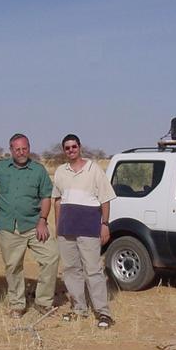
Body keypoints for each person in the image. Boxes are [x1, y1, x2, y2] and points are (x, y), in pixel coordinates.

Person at [0, 133, 59, 319]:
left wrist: (43, 220)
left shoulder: (38, 170)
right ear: (11, 150)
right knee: (13, 266)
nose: (21, 152)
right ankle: (17, 305)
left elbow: (46, 196)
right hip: (8, 226)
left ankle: (43, 302)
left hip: (34, 225)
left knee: (51, 257)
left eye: (25, 148)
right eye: (17, 149)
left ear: (29, 148)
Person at [52, 134, 117, 329]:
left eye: (74, 147)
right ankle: (79, 308)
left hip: (89, 229)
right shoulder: (60, 172)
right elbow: (57, 200)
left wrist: (105, 224)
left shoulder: (94, 169)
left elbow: (105, 198)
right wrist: (58, 226)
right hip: (67, 229)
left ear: (80, 147)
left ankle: (103, 312)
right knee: (71, 270)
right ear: (64, 150)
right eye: (67, 148)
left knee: (93, 270)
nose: (71, 150)